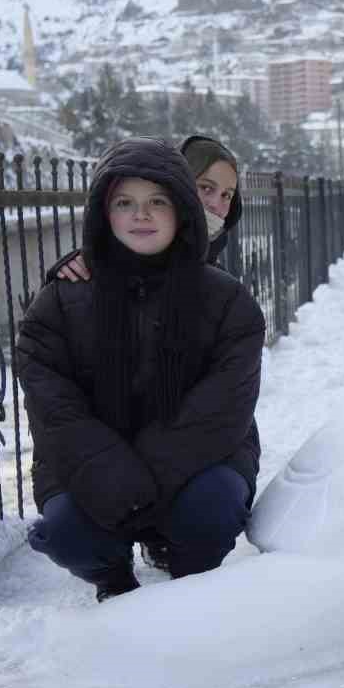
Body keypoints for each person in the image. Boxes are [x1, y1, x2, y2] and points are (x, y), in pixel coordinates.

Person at [18, 138, 266, 601]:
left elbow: (222, 406)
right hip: (91, 460)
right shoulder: (60, 301)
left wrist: (140, 482)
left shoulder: (229, 302)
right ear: (103, 212)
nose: (141, 214)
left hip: (199, 454)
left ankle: (190, 583)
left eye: (158, 202)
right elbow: (54, 406)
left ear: (180, 210)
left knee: (211, 509)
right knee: (71, 530)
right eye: (124, 203)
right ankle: (114, 582)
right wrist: (113, 479)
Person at [49, 135, 242, 282]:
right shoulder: (94, 271)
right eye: (206, 188)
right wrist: (84, 262)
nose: (216, 204)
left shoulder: (224, 289)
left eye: (227, 195)